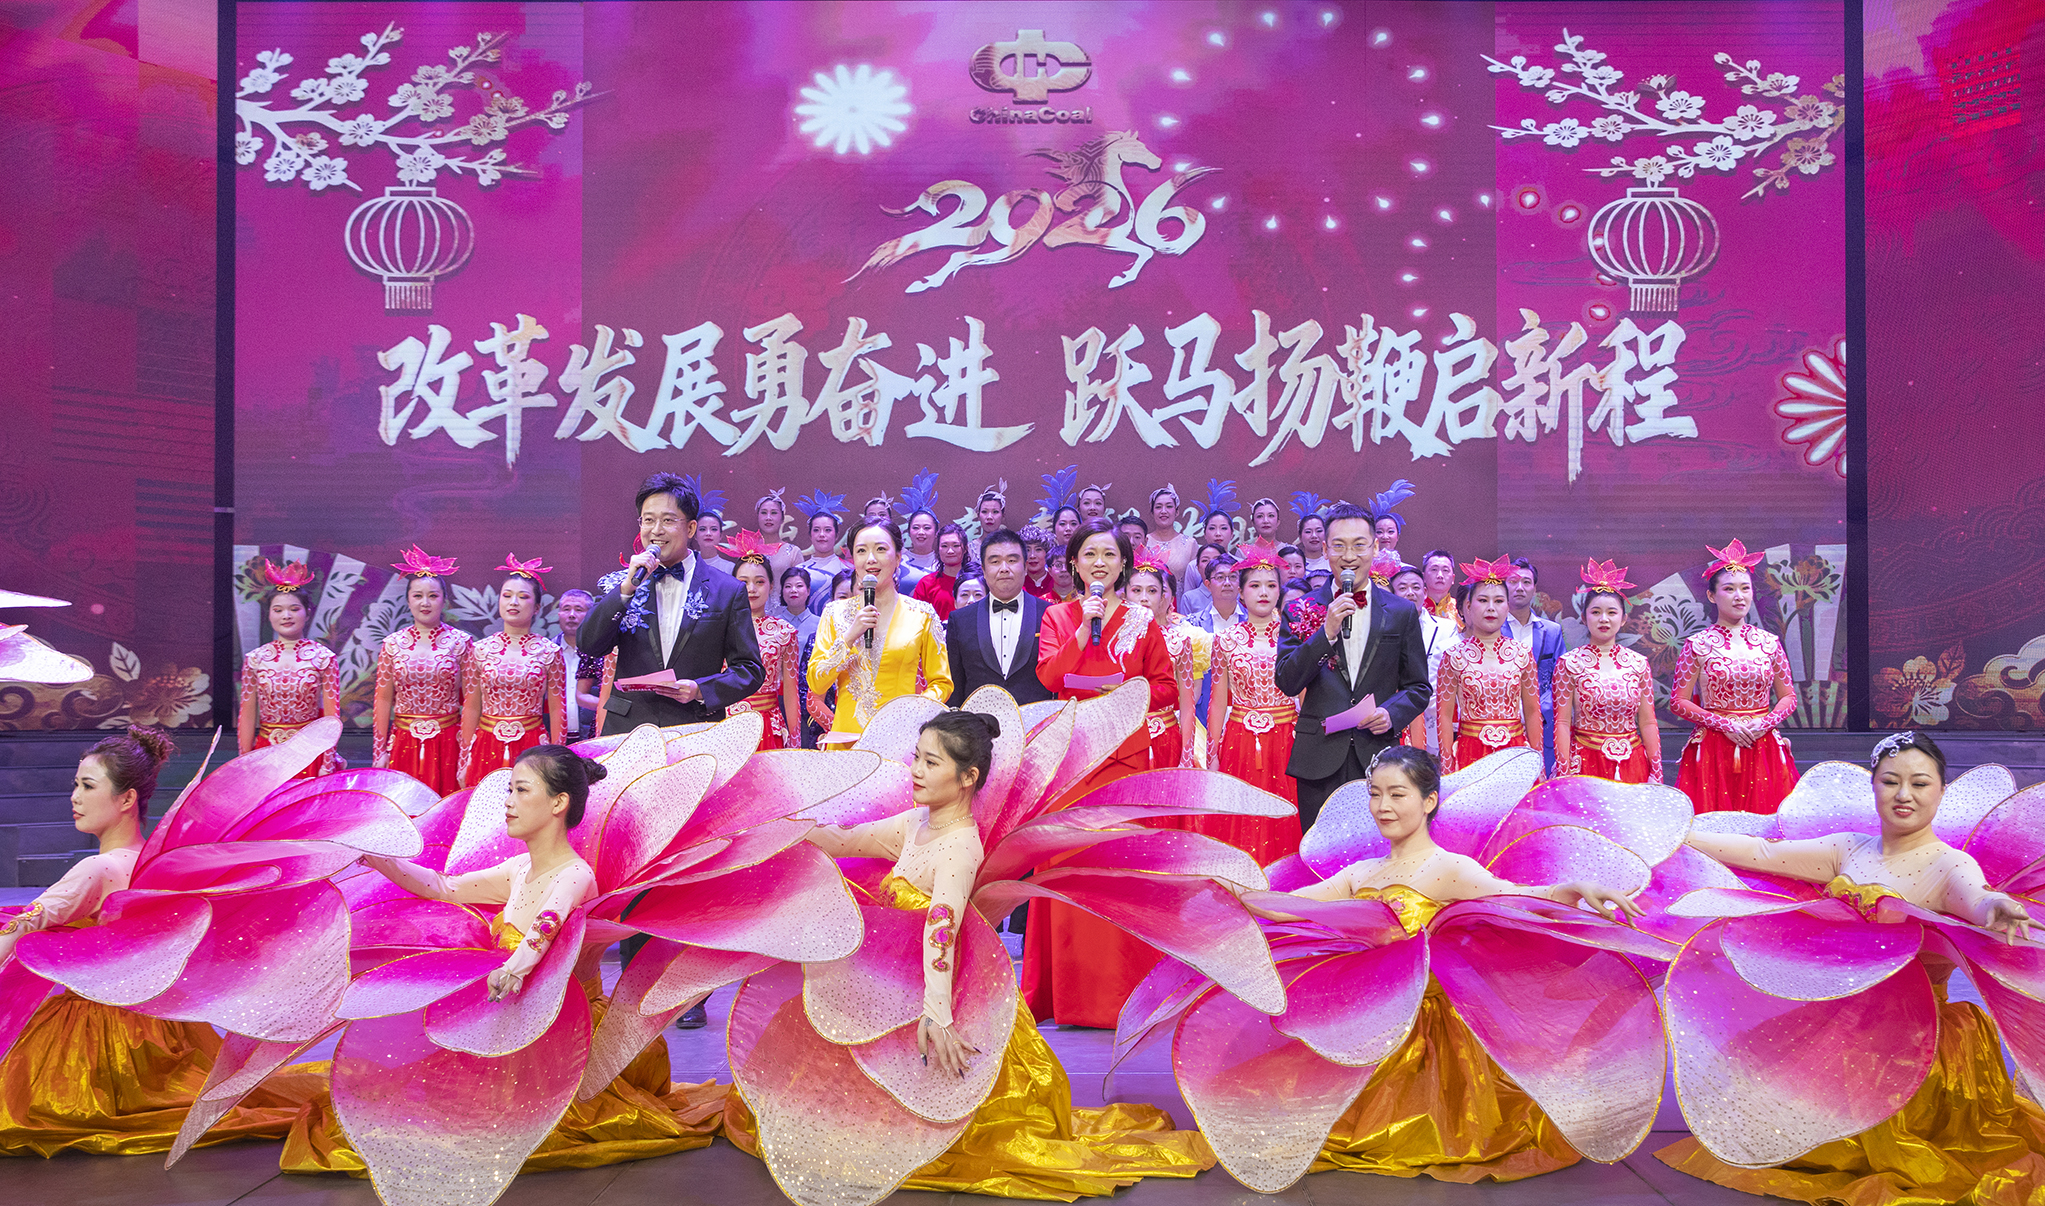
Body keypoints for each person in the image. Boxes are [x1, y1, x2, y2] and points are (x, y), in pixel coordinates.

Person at [725, 711, 1216, 1198]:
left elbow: (941, 933)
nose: (916, 771)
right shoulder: (916, 825)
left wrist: (937, 1014)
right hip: (897, 986)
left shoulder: (959, 849)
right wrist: (777, 826)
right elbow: (843, 840)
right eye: (917, 758)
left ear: (967, 778)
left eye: (931, 762)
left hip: (940, 992)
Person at [1218, 747, 1646, 1187]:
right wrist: (1225, 890)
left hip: (1428, 1035)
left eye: (1397, 794)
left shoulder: (1449, 868)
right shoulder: (1360, 873)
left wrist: (1570, 889)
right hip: (1368, 1023)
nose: (1383, 806)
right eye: (1375, 794)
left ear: (1428, 801)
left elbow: (1513, 895)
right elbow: (1285, 907)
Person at [289, 746, 723, 1176]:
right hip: (511, 1015)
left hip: (562, 1030)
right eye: (509, 790)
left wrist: (513, 968)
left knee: (468, 1126)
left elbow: (547, 925)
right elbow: (443, 886)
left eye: (521, 790)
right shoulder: (518, 870)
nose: (509, 802)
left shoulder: (575, 874)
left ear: (558, 802)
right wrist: (377, 857)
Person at [1660, 732, 2040, 1204]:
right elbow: (1762, 853)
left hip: (1917, 1040)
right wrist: (1676, 834)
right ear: (1874, 787)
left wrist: (1995, 907)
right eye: (1891, 781)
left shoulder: (1950, 865)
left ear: (1941, 791)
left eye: (1920, 783)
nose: (1904, 795)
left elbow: (1975, 897)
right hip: (1840, 1021)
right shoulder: (1849, 849)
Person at [0, 728, 310, 1154]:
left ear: (127, 798)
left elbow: (23, 925)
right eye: (76, 785)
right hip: (165, 1027)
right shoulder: (159, 865)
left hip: (99, 1035)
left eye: (87, 786)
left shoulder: (98, 869)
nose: (74, 797)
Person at [1023, 519, 1179, 1027]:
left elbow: (1166, 687)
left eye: (1109, 555)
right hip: (1073, 757)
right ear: (1073, 562)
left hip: (1124, 757)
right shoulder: (1058, 615)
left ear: (1123, 564)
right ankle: (1070, 995)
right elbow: (1050, 675)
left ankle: (1123, 994)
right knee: (1071, 870)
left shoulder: (1142, 620)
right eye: (1089, 554)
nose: (1099, 563)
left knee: (1120, 870)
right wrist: (1082, 630)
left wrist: (1128, 693)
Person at [1276, 503, 1431, 831]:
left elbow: (1418, 687)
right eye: (1339, 546)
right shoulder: (1301, 609)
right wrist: (1326, 633)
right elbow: (1288, 680)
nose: (1349, 556)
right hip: (1318, 758)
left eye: (1359, 545)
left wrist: (1391, 713)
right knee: (1320, 851)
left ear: (1375, 548)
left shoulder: (1401, 612)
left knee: (1378, 850)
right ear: (1325, 550)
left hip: (1379, 757)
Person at [580, 472, 764, 728]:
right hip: (628, 729)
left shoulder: (727, 590)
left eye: (667, 520)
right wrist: (625, 589)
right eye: (648, 520)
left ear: (691, 528)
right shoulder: (624, 584)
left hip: (695, 728)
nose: (656, 530)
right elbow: (589, 644)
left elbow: (749, 670)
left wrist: (700, 689)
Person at [1671, 539, 1799, 813]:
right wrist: (1724, 724)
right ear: (1711, 596)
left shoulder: (1769, 643)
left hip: (1761, 742)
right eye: (1729, 589)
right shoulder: (1698, 645)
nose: (1739, 596)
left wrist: (1766, 722)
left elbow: (1788, 697)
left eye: (1745, 588)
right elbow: (1678, 702)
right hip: (1714, 746)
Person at [808, 519, 952, 746]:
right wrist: (849, 637)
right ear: (853, 559)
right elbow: (816, 683)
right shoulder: (834, 613)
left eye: (881, 549)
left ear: (898, 557)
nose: (871, 559)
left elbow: (941, 683)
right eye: (861, 551)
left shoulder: (922, 614)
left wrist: (912, 712)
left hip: (898, 740)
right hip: (845, 744)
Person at [1205, 548, 1304, 863]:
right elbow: (1218, 701)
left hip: (1287, 738)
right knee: (1243, 815)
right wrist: (1212, 753)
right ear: (1241, 592)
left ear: (1280, 591)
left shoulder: (1295, 638)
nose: (1263, 592)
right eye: (1255, 585)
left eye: (1271, 585)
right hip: (1241, 741)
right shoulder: (1225, 640)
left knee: (1288, 812)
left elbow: (1306, 698)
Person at [459, 555, 567, 786]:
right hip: (485, 744)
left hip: (532, 745)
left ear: (537, 607)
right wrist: (464, 758)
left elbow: (557, 708)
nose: (513, 602)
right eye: (507, 596)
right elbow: (471, 707)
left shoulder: (550, 652)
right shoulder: (480, 650)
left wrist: (558, 758)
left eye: (523, 597)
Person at [373, 545, 472, 794]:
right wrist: (379, 751)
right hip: (403, 742)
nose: (425, 603)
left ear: (444, 600)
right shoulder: (393, 644)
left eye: (433, 596)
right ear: (408, 600)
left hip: (449, 743)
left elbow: (472, 702)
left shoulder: (461, 642)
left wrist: (467, 753)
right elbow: (383, 700)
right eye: (417, 596)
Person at [1554, 560, 1661, 783]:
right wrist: (1564, 771)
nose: (1604, 619)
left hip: (1632, 763)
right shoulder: (1569, 663)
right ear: (1584, 618)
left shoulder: (1638, 664)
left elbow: (1648, 722)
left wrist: (1656, 771)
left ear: (1623, 619)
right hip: (1585, 762)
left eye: (1612, 612)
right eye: (1596, 612)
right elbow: (1562, 723)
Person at [1435, 558, 1543, 774]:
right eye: (1483, 600)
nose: (1491, 608)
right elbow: (1444, 716)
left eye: (1499, 601)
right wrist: (1447, 766)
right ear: (1468, 606)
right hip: (1470, 753)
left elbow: (1532, 712)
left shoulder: (1522, 654)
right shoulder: (1453, 656)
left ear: (1507, 606)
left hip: (1515, 754)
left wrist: (1538, 763)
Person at [237, 559, 341, 778]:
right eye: (278, 610)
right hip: (266, 752)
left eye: (294, 609)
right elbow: (247, 715)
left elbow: (332, 718)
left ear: (307, 613)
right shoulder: (256, 659)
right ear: (269, 614)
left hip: (309, 753)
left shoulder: (323, 658)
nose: (286, 616)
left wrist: (328, 762)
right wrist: (244, 762)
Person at [946, 529, 1052, 708]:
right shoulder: (960, 620)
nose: (1004, 568)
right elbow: (955, 686)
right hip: (978, 722)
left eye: (1012, 560)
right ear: (983, 570)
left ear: (1025, 567)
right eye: (995, 561)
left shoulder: (1048, 614)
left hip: (1037, 720)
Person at [1125, 552, 1207, 769]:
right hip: (1124, 737)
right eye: (1136, 590)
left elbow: (1188, 705)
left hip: (1166, 736)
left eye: (1152, 591)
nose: (1144, 598)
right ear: (1125, 594)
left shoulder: (1179, 641)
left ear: (1163, 597)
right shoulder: (1111, 640)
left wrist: (1186, 756)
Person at [724, 531, 803, 750]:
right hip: (725, 726)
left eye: (759, 582)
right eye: (744, 582)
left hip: (768, 725)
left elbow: (791, 693)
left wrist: (795, 744)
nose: (751, 589)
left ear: (771, 585)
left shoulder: (784, 632)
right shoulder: (719, 628)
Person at [1504, 558, 1565, 773]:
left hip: (1543, 722)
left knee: (1542, 781)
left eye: (1526, 582)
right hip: (1502, 722)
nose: (1520, 587)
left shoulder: (1552, 631)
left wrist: (1540, 708)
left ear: (1535, 589)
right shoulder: (1491, 629)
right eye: (1513, 581)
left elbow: (1561, 679)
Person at [1389, 566, 1454, 753]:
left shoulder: (1447, 628)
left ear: (1425, 592)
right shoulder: (1384, 629)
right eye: (1402, 588)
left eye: (1416, 587)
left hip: (1434, 716)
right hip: (1395, 715)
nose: (1410, 593)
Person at [554, 588, 599, 741]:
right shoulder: (546, 652)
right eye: (566, 609)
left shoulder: (602, 652)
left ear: (590, 614)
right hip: (553, 738)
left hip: (591, 738)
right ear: (559, 614)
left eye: (578, 610)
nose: (571, 615)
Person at [910, 522, 972, 621]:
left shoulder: (976, 582)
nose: (950, 551)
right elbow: (916, 619)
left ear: (965, 549)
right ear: (938, 550)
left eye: (955, 545)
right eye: (944, 546)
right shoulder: (926, 584)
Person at [1145, 485, 1198, 579]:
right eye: (1158, 507)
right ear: (1152, 513)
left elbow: (1195, 579)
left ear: (1177, 512)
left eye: (1169, 506)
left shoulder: (1190, 544)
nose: (1163, 511)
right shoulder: (1144, 541)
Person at [798, 509, 851, 599]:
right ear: (810, 535)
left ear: (836, 535)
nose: (822, 534)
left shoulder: (848, 570)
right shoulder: (800, 570)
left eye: (827, 530)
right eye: (816, 530)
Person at [752, 489, 802, 580]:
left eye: (774, 513)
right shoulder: (747, 550)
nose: (768, 518)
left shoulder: (793, 552)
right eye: (764, 513)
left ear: (782, 518)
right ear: (758, 517)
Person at [1420, 548, 1461, 630]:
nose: (1440, 575)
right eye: (1434, 569)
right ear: (1423, 577)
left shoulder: (1461, 610)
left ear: (1453, 579)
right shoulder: (1415, 608)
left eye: (1445, 570)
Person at [1180, 542, 1226, 615]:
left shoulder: (1235, 593)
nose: (1211, 563)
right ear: (1198, 567)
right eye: (1205, 560)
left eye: (1216, 559)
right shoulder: (1189, 598)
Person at [1020, 525, 1058, 601]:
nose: (1032, 556)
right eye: (1027, 550)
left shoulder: (1057, 582)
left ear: (1047, 553)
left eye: (1038, 549)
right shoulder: (1017, 584)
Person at [903, 508, 941, 575]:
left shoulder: (943, 562)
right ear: (909, 532)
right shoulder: (898, 562)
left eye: (927, 528)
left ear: (936, 532)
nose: (921, 532)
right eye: (915, 527)